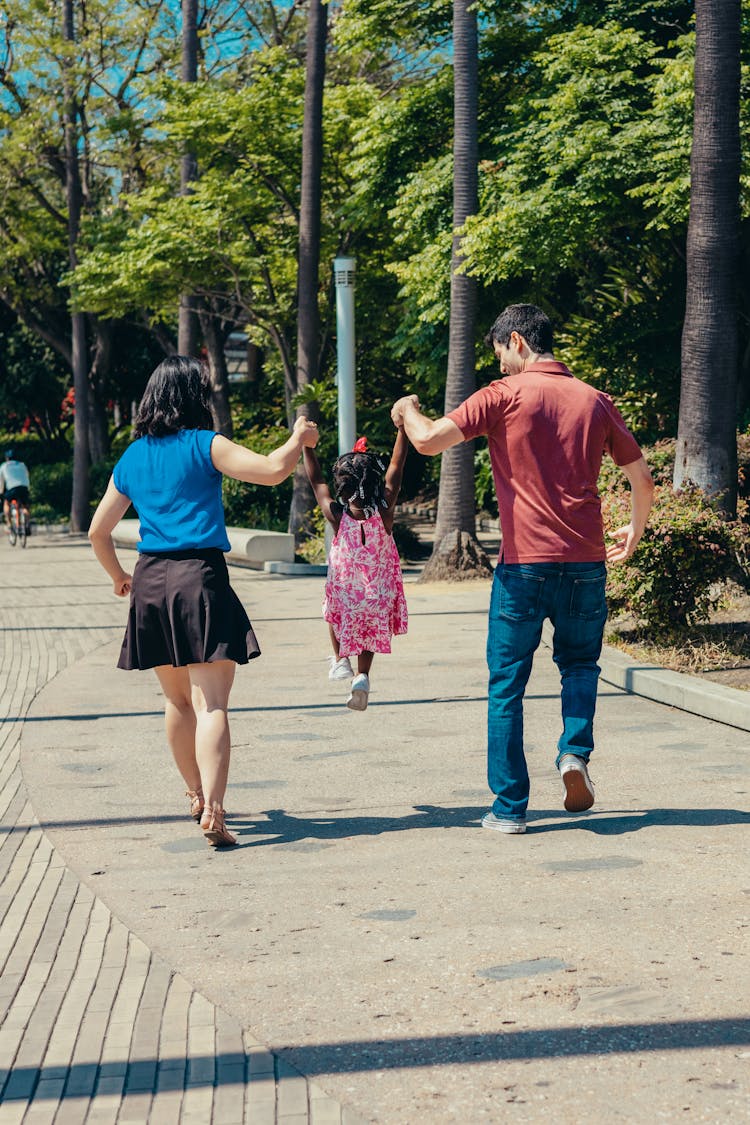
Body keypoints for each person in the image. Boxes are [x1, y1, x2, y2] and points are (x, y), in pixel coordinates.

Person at [392, 303, 654, 834]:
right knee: (580, 666)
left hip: (524, 568)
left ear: (516, 341)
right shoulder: (594, 400)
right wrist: (637, 527)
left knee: (507, 685)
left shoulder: (503, 396)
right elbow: (641, 477)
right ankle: (574, 755)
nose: (503, 367)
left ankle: (510, 809)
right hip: (586, 563)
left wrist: (405, 410)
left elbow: (426, 440)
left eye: (502, 356)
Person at [88, 356, 319, 847]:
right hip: (200, 577)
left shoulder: (132, 457)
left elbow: (98, 531)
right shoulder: (205, 444)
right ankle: (215, 810)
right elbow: (274, 470)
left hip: (150, 582)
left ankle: (194, 795)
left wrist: (118, 577)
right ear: (195, 398)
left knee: (175, 701)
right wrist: (299, 439)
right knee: (211, 704)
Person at [303, 430, 409, 711]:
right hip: (377, 596)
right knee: (370, 627)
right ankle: (362, 676)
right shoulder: (384, 512)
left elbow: (316, 482)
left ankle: (341, 661)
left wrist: (307, 447)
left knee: (333, 609)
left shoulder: (337, 516)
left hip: (346, 594)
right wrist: (402, 431)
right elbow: (396, 468)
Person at [0, 450, 31, 533]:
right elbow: (27, 476)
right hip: (24, 487)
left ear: (7, 458)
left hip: (12, 488)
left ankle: (9, 524)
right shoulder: (22, 465)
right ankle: (27, 524)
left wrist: (1, 491)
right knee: (25, 506)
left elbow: (1, 481)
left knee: (6, 503)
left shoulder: (4, 466)